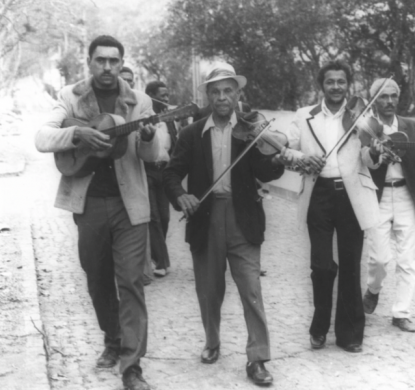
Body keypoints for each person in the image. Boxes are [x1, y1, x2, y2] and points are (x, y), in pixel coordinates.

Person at [35, 35, 158, 390]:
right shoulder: (69, 96)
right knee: (97, 278)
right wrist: (77, 135)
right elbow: (43, 138)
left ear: (122, 63)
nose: (107, 67)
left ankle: (132, 367)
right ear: (89, 62)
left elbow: (153, 157)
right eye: (100, 60)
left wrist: (148, 137)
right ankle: (112, 340)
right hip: (88, 204)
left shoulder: (140, 101)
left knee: (132, 281)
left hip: (129, 205)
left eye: (114, 61)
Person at [162, 63, 284, 386]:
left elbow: (265, 170)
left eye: (228, 90)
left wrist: (278, 159)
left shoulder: (249, 130)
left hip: (243, 218)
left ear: (238, 93)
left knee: (251, 290)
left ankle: (257, 358)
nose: (222, 97)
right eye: (215, 91)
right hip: (205, 216)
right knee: (209, 290)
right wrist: (182, 197)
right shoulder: (191, 134)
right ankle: (212, 341)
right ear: (207, 95)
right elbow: (171, 174)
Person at [279, 61, 380, 353]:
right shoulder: (304, 116)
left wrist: (375, 151)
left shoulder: (361, 114)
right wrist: (300, 159)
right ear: (321, 86)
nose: (336, 87)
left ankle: (349, 334)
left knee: (350, 265)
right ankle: (319, 326)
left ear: (348, 85)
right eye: (330, 82)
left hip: (351, 196)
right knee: (321, 265)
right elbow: (287, 148)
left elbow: (370, 160)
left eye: (341, 82)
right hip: (319, 194)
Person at [362, 79, 415, 332]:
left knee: (407, 259)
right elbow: (362, 160)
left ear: (398, 99)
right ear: (374, 100)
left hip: (406, 197)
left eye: (393, 96)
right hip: (378, 197)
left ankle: (401, 313)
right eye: (383, 97)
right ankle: (373, 288)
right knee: (379, 259)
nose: (388, 102)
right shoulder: (366, 128)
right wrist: (377, 153)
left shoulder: (411, 126)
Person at [144, 81, 177, 277]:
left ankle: (156, 256)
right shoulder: (143, 117)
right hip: (147, 170)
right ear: (150, 96)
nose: (166, 99)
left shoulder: (171, 118)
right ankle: (163, 262)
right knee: (154, 217)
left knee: (164, 217)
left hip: (164, 172)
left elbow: (176, 145)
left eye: (167, 95)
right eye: (162, 95)